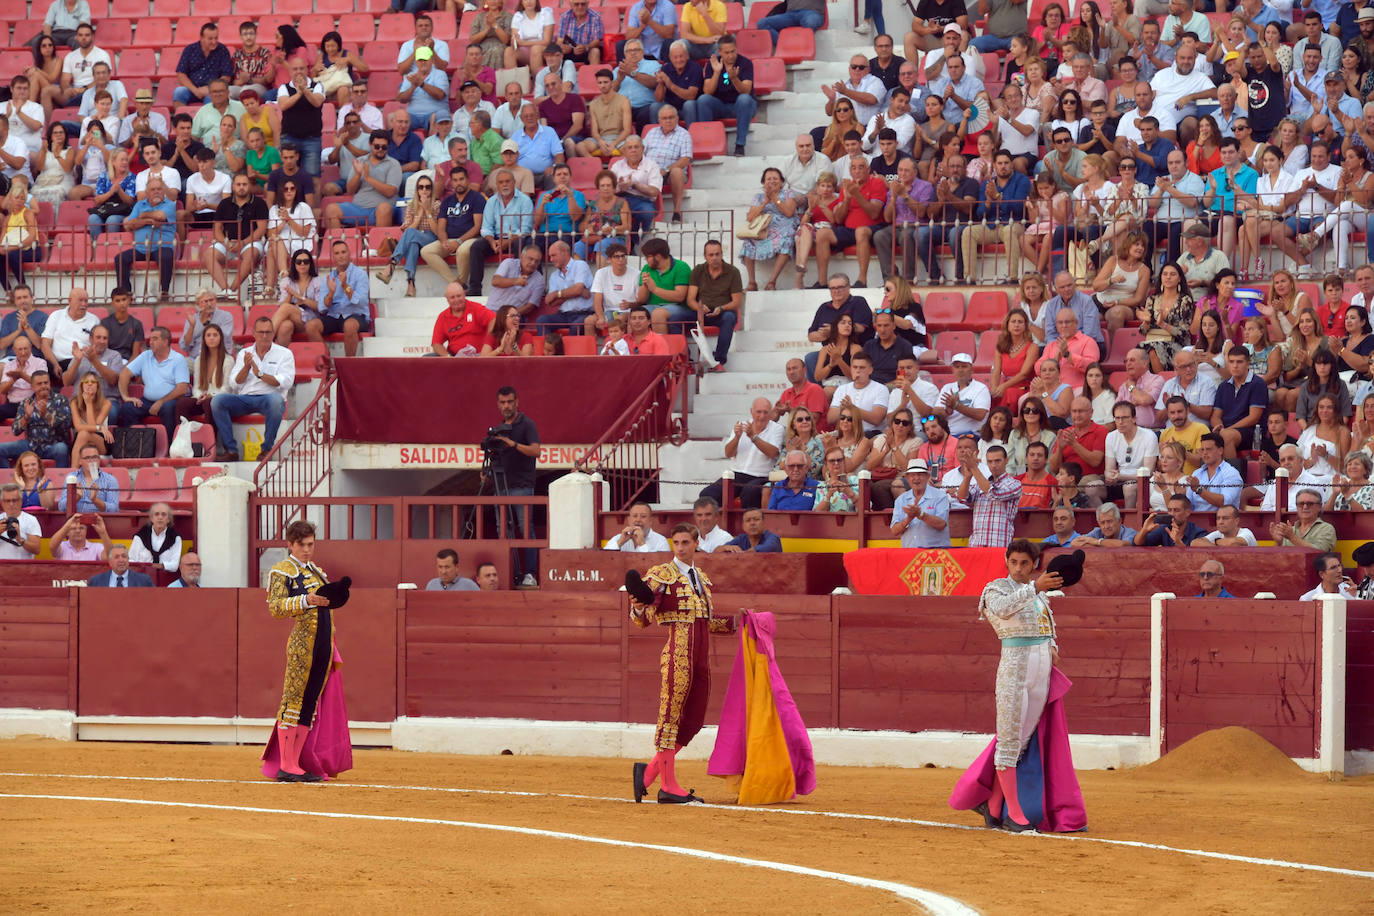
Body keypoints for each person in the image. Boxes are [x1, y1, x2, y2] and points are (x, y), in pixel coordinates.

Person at [952, 538, 1085, 833]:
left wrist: (1052, 646)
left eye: (1025, 563)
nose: (1018, 568)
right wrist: (1035, 587)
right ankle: (1014, 813)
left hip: (1040, 672)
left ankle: (994, 808)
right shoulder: (996, 589)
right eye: (1013, 562)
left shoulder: (1040, 596)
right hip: (1014, 671)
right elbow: (1002, 609)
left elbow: (1046, 626)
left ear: (1033, 564)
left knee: (1022, 742)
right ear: (1006, 562)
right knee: (1010, 741)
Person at [628, 520, 735, 804]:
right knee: (671, 717)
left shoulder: (701, 579)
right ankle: (668, 786)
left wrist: (740, 623)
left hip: (700, 660)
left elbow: (707, 621)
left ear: (697, 544)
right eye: (676, 543)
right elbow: (642, 618)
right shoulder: (662, 575)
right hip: (678, 656)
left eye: (686, 542)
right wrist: (637, 607)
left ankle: (649, 772)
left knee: (695, 720)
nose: (681, 548)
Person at [260, 519, 352, 783]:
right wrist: (306, 600)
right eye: (302, 545)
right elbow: (276, 608)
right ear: (290, 544)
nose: (307, 549)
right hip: (302, 646)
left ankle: (296, 763)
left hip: (323, 643)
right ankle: (286, 765)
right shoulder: (281, 571)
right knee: (293, 702)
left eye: (311, 544)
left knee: (309, 704)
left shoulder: (317, 572)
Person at [210, 317, 293, 462]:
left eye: (268, 332)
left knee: (276, 401)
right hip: (245, 398)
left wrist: (260, 374)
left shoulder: (284, 353)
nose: (264, 336)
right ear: (254, 333)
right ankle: (231, 450)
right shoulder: (244, 353)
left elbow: (286, 382)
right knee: (217, 401)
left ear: (273, 334)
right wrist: (246, 367)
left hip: (269, 397)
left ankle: (266, 449)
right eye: (261, 332)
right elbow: (234, 383)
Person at [700, 398, 783, 511]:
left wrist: (753, 437)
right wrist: (737, 437)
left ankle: (749, 522)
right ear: (751, 412)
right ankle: (718, 521)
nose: (762, 416)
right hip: (737, 474)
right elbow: (728, 453)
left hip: (761, 475)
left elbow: (772, 453)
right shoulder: (741, 425)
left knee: (749, 492)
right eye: (758, 412)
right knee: (707, 494)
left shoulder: (777, 429)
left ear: (771, 413)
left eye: (765, 412)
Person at [117, 326, 189, 442]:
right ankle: (140, 444)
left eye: (155, 339)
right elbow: (124, 374)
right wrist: (126, 397)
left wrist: (161, 402)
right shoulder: (146, 355)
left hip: (171, 400)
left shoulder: (178, 359)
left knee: (168, 408)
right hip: (147, 401)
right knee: (128, 408)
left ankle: (169, 445)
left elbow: (182, 389)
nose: (150, 342)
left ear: (165, 341)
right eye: (150, 339)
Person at [307, 240, 371, 359]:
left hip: (356, 315)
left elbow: (361, 302)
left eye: (343, 252)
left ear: (349, 253)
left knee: (349, 326)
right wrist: (331, 293)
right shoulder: (329, 278)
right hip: (334, 316)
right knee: (311, 326)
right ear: (333, 257)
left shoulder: (360, 274)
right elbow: (322, 307)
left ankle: (348, 363)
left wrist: (345, 286)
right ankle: (327, 361)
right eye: (337, 253)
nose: (341, 256)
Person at [0, 369, 70, 468]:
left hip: (53, 444)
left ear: (50, 383)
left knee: (62, 449)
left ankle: (62, 477)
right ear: (32, 386)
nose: (43, 386)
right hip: (30, 445)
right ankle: (9, 477)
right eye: (39, 384)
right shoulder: (26, 402)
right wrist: (26, 417)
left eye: (46, 383)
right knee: (1, 449)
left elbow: (66, 427)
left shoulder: (61, 400)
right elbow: (15, 430)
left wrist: (47, 415)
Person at [959, 445, 1023, 547]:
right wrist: (967, 476)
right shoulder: (981, 483)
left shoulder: (1015, 484)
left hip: (999, 544)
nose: (993, 465)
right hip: (976, 545)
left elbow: (993, 494)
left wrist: (974, 468)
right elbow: (962, 497)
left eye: (998, 461)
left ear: (1006, 460)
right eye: (990, 461)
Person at [890, 459, 952, 548]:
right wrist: (908, 519)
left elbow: (941, 524)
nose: (916, 478)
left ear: (927, 477)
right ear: (907, 478)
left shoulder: (940, 496)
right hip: (910, 552)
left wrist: (921, 514)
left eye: (920, 475)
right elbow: (894, 531)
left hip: (936, 552)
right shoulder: (901, 499)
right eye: (912, 475)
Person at [56, 441, 117, 514]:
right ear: (80, 461)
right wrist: (76, 497)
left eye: (95, 457)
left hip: (99, 519)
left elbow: (114, 509)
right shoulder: (72, 477)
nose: (92, 461)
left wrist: (95, 500)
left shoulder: (110, 480)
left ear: (99, 460)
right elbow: (61, 507)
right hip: (76, 518)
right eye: (87, 458)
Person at [1271, 490, 1339, 552]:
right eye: (1301, 504)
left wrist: (1292, 537)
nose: (1305, 507)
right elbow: (1279, 557)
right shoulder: (1291, 530)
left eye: (1310, 504)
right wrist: (1279, 543)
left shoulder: (1326, 528)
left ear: (1319, 507)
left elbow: (1319, 552)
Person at [128, 502, 183, 573]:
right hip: (142, 576)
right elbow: (131, 560)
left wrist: (153, 566)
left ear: (168, 519)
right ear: (151, 518)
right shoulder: (140, 536)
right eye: (156, 514)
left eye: (163, 514)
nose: (160, 517)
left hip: (165, 578)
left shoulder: (176, 539)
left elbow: (175, 565)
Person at [605, 501, 671, 551]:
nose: (638, 520)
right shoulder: (618, 538)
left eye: (643, 516)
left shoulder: (661, 541)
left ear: (651, 521)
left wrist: (642, 544)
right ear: (629, 520)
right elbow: (604, 558)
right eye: (635, 516)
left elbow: (659, 564)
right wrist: (620, 542)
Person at [0, 482, 42, 560]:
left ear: (21, 501)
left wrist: (20, 539)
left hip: (23, 566)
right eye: (8, 501)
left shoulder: (31, 520)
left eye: (14, 500)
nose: (11, 504)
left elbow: (36, 550)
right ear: (2, 502)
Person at [718, 508, 782, 553]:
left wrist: (743, 554)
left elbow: (769, 547)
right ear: (743, 526)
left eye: (756, 519)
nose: (752, 523)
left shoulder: (773, 537)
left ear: (764, 523)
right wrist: (726, 547)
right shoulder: (741, 539)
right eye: (748, 520)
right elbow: (717, 551)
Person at [1192, 504, 1258, 548]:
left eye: (1225, 518)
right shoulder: (1218, 533)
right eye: (1218, 518)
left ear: (1236, 521)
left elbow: (1234, 544)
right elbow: (1194, 543)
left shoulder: (1246, 532)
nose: (1220, 522)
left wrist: (1214, 542)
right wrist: (1217, 546)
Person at [87, 544, 154, 587]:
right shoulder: (96, 581)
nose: (121, 560)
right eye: (117, 557)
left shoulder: (144, 581)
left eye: (124, 556)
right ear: (110, 562)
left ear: (128, 559)